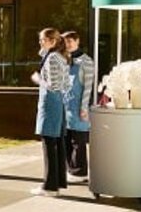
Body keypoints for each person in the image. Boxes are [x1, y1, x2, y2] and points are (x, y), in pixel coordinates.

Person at [30, 27, 71, 197]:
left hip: (50, 104)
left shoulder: (53, 58)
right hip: (57, 103)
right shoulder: (58, 56)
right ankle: (57, 183)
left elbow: (53, 85)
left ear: (53, 41)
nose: (40, 43)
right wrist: (47, 47)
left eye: (43, 40)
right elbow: (65, 84)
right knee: (57, 144)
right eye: (39, 39)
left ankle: (50, 187)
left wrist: (38, 79)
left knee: (49, 144)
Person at [62, 30, 94, 183]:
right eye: (65, 42)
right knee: (66, 139)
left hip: (78, 107)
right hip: (65, 106)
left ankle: (80, 172)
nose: (67, 44)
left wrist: (84, 108)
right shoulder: (64, 60)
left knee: (78, 141)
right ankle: (71, 170)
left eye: (70, 41)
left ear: (77, 41)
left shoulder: (86, 61)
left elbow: (88, 87)